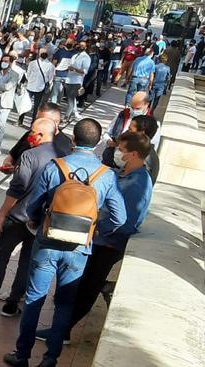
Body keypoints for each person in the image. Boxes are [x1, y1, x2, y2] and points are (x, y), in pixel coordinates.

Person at [3, 119, 126, 367]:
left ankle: (22, 355)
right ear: (98, 142)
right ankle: (50, 358)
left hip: (48, 242)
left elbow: (34, 205)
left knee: (35, 298)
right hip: (79, 248)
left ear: (73, 140)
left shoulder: (55, 167)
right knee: (64, 303)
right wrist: (95, 225)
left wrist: (36, 220)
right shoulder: (106, 175)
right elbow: (120, 217)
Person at [57, 132, 153, 336]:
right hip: (100, 238)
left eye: (121, 150)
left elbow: (126, 220)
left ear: (133, 154)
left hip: (109, 243)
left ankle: (63, 331)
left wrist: (101, 227)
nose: (117, 152)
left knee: (87, 287)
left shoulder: (138, 182)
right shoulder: (123, 172)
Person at [0, 118, 66, 316]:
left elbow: (17, 188)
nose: (29, 137)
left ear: (40, 135)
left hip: (18, 216)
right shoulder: (62, 158)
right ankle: (12, 302)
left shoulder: (30, 155)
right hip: (39, 219)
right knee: (26, 263)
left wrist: (1, 214)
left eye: (32, 133)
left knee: (0, 257)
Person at [64, 40, 92, 122]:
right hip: (69, 79)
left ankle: (67, 116)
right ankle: (74, 113)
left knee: (71, 99)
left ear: (86, 47)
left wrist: (75, 69)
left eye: (83, 45)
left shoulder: (86, 57)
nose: (81, 46)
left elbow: (84, 71)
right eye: (80, 45)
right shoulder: (74, 56)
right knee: (70, 98)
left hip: (77, 81)